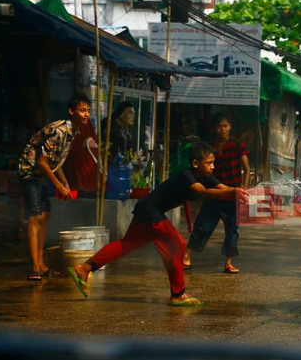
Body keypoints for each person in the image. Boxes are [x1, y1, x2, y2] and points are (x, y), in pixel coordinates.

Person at [68, 142, 250, 305]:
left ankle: (84, 268)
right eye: (209, 163)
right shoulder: (187, 176)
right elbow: (203, 192)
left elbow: (222, 188)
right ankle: (178, 293)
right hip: (150, 211)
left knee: (127, 245)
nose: (213, 167)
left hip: (147, 209)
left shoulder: (206, 176)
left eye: (213, 162)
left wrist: (236, 191)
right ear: (196, 163)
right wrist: (233, 192)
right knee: (176, 245)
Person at [18, 92, 91, 281]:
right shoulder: (60, 131)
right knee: (34, 218)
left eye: (88, 111)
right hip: (30, 171)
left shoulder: (73, 131)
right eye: (82, 110)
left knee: (45, 215)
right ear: (71, 111)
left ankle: (41, 263)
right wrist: (58, 185)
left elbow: (56, 160)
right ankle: (35, 266)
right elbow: (42, 162)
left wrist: (64, 180)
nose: (86, 115)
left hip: (43, 174)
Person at [183, 113, 251, 274]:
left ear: (230, 127)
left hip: (233, 194)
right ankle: (186, 257)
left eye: (226, 126)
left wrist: (244, 187)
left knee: (232, 230)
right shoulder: (210, 147)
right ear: (214, 128)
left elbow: (247, 168)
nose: (223, 129)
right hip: (215, 193)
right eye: (220, 126)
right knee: (202, 225)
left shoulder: (237, 145)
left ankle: (228, 262)